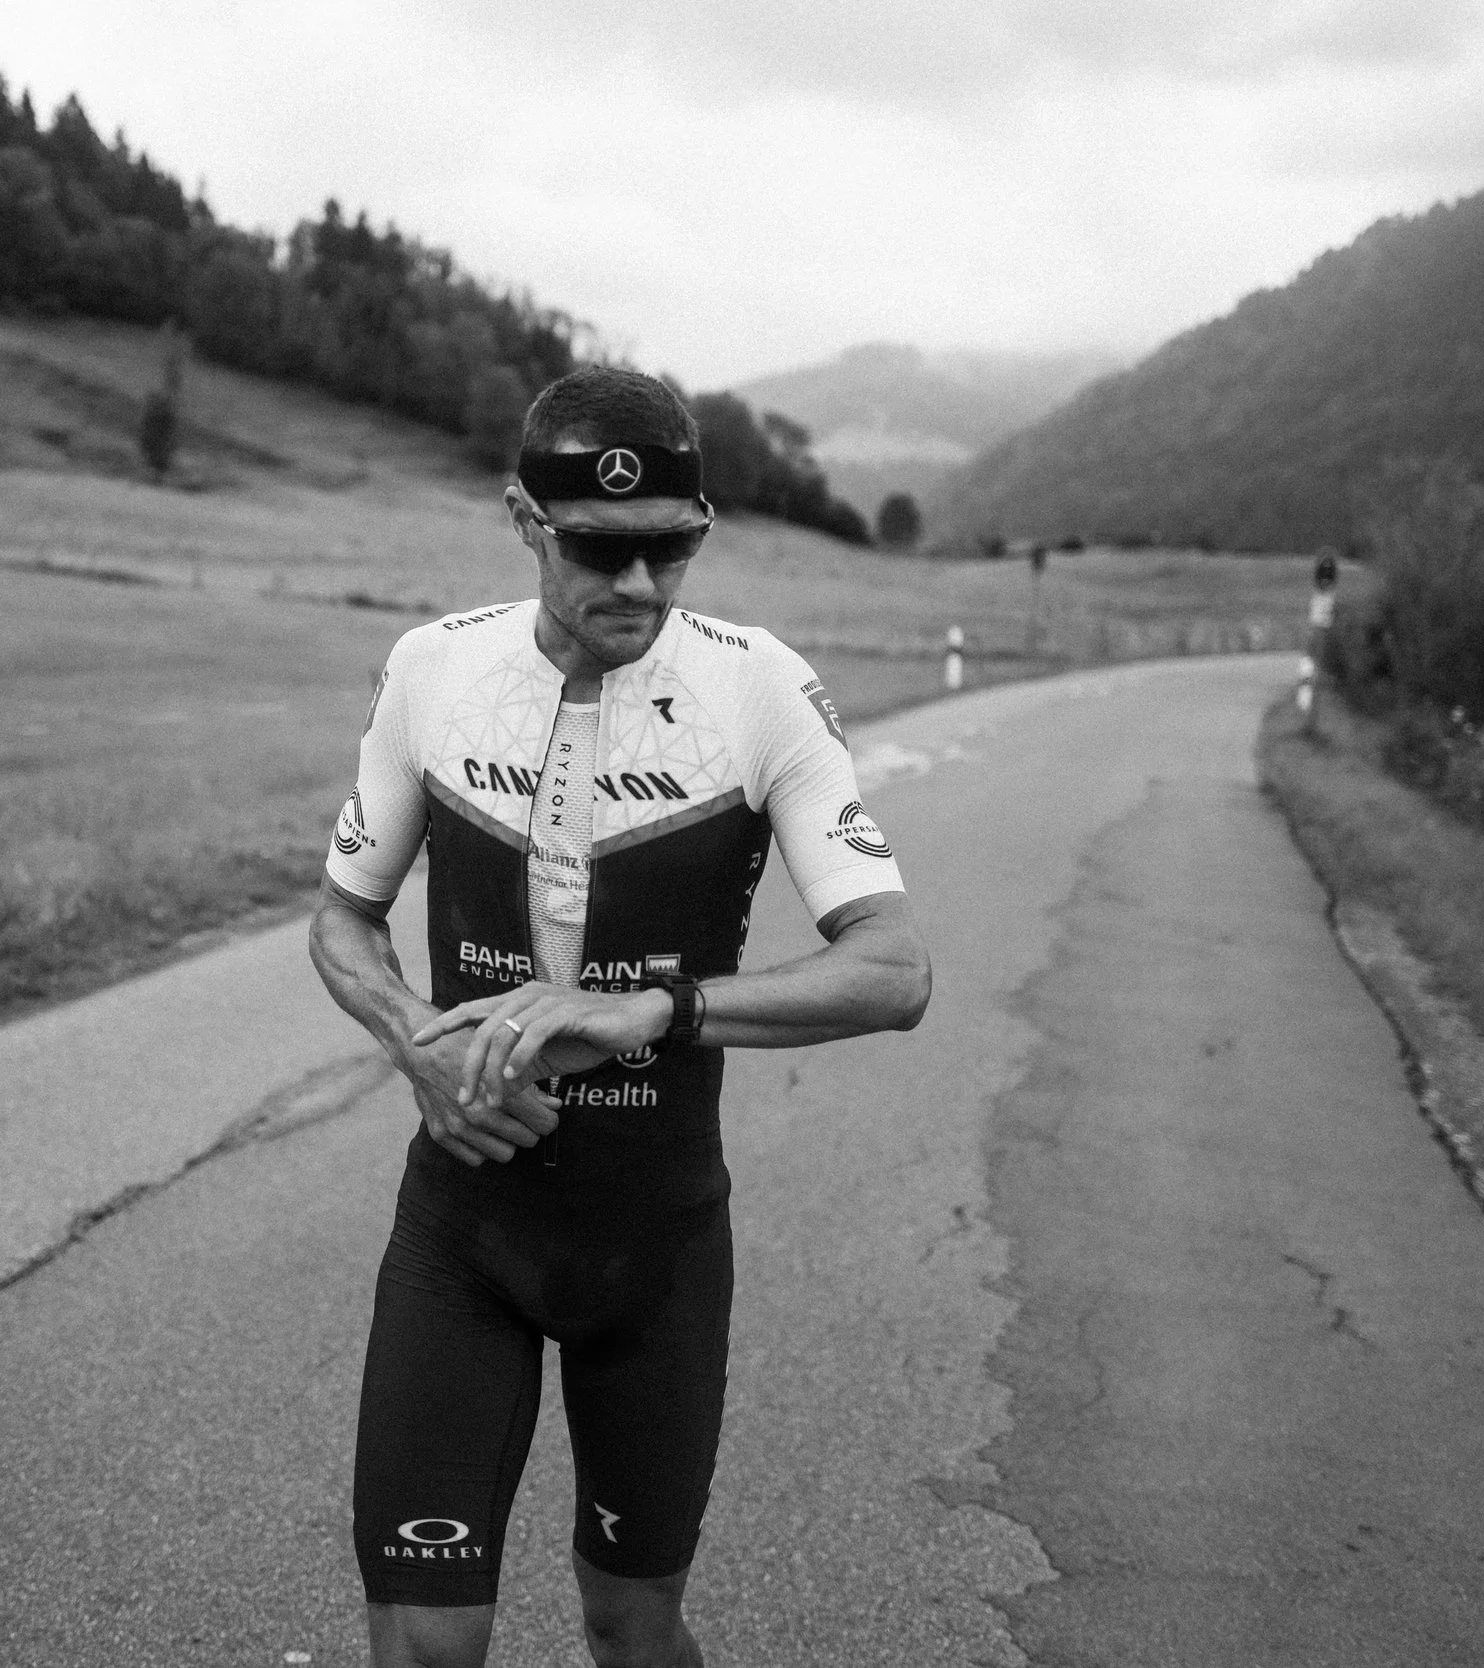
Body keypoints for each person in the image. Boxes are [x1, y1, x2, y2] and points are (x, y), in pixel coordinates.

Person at [309, 365, 931, 1668]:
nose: (640, 589)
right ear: (525, 521)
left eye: (673, 551)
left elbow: (893, 970)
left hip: (652, 1246)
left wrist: (656, 1009)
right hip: (465, 1233)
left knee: (630, 1624)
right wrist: (421, 1042)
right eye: (600, 551)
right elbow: (343, 919)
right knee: (427, 1641)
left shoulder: (759, 688)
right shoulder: (434, 669)